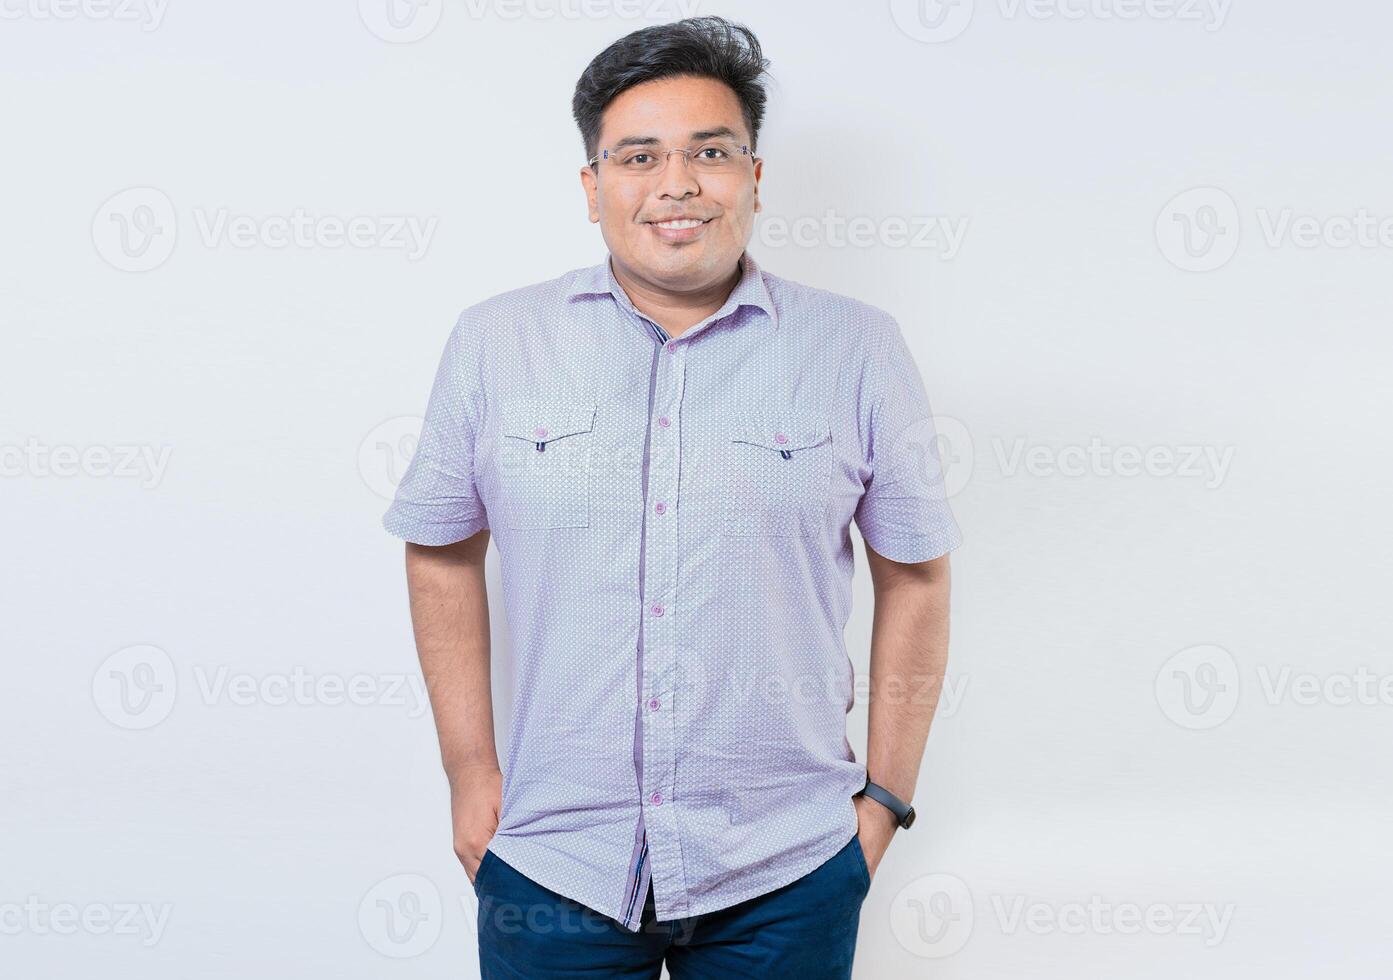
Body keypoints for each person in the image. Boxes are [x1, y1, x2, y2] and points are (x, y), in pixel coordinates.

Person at [382, 16, 962, 978]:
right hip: (552, 861)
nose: (677, 184)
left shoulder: (855, 349)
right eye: (639, 155)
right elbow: (440, 548)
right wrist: (468, 770)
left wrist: (884, 802)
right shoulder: (497, 343)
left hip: (786, 867)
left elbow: (918, 580)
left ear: (755, 175)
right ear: (592, 184)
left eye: (711, 152)